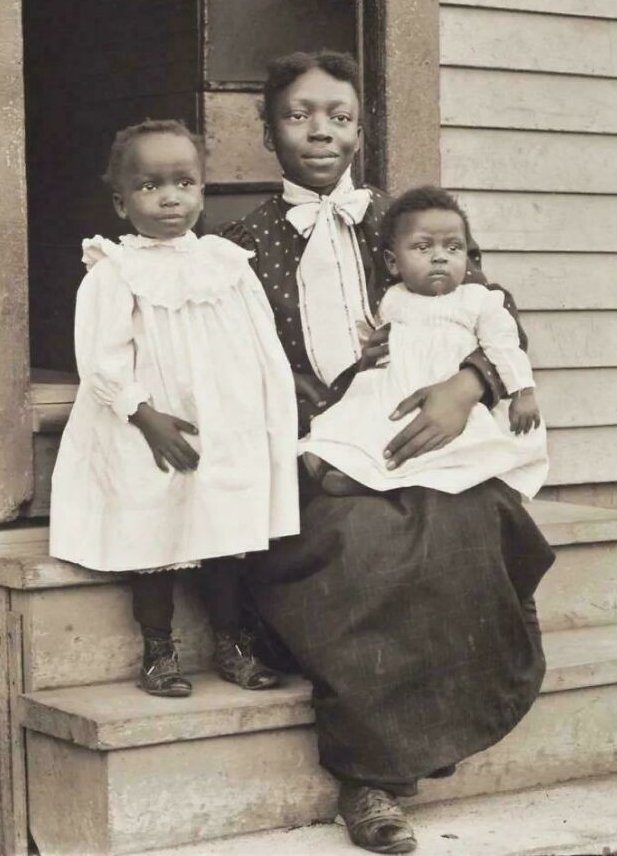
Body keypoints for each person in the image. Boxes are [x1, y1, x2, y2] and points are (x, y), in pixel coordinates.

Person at [221, 51, 555, 854]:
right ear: (268, 132)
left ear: (360, 131)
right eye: (299, 115)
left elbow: (495, 312)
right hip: (321, 445)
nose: (320, 131)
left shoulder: (406, 221)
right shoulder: (239, 246)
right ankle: (367, 775)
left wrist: (468, 386)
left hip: (431, 438)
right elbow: (231, 365)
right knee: (363, 542)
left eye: (339, 116)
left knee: (470, 517)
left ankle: (466, 682)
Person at [50, 119, 299, 698]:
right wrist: (144, 415)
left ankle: (232, 643)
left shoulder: (226, 264)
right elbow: (102, 359)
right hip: (145, 425)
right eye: (149, 186)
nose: (169, 198)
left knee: (222, 531)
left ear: (202, 191)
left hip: (221, 424)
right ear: (121, 202)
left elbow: (258, 343)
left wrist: (257, 415)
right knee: (153, 530)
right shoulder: (115, 272)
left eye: (184, 183)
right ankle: (158, 651)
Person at [299, 186, 549, 500]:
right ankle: (348, 467)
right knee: (362, 420)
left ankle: (380, 479)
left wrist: (523, 392)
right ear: (393, 263)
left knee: (459, 447)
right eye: (423, 247)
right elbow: (369, 335)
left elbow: (504, 346)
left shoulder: (478, 300)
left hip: (449, 392)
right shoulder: (392, 299)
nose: (440, 256)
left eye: (453, 247)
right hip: (395, 389)